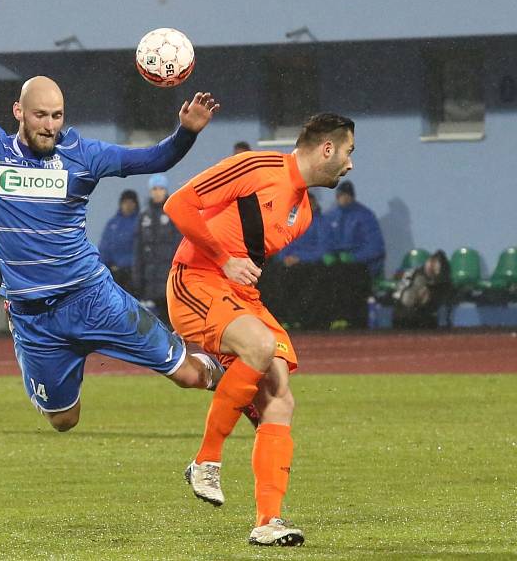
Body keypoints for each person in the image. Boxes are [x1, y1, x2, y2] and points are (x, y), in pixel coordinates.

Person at [0, 0, 224, 433]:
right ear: (19, 112)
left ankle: (238, 377)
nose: (50, 125)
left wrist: (186, 134)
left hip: (92, 298)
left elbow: (153, 159)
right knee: (63, 420)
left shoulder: (83, 155)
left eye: (57, 116)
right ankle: (69, 362)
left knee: (191, 376)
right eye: (41, 115)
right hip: (34, 318)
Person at [164, 113, 356, 547]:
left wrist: (235, 270)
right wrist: (222, 257)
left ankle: (268, 522)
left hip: (236, 294)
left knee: (279, 396)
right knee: (260, 345)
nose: (349, 164)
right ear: (327, 149)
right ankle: (206, 460)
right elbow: (177, 204)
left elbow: (247, 264)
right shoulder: (256, 167)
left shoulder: (302, 213)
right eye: (348, 152)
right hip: (194, 279)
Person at [258, 192, 332, 330]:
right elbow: (281, 243)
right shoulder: (291, 221)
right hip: (287, 263)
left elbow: (323, 250)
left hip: (309, 264)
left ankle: (299, 318)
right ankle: (279, 317)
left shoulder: (321, 223)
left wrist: (299, 258)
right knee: (270, 274)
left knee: (302, 278)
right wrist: (285, 258)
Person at [323, 180, 385, 329]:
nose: (342, 199)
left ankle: (347, 318)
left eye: (345, 195)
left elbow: (376, 247)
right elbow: (326, 241)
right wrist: (327, 254)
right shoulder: (331, 216)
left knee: (347, 277)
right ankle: (327, 318)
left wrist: (354, 257)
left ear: (351, 196)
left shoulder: (365, 216)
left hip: (361, 264)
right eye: (339, 196)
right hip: (338, 262)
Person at [133, 174, 181, 326]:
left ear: (165, 190)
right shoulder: (144, 215)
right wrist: (137, 279)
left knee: (174, 322)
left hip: (169, 277)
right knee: (154, 325)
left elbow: (179, 246)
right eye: (154, 189)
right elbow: (138, 249)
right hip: (150, 280)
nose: (157, 192)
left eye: (160, 188)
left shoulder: (174, 211)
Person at [392, 249, 452, 329]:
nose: (431, 266)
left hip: (426, 319)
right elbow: (399, 304)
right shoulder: (412, 275)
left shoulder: (443, 283)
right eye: (431, 263)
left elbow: (435, 303)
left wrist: (426, 299)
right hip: (403, 319)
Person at [98, 189, 140, 294]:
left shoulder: (141, 222)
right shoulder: (113, 224)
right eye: (125, 202)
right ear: (121, 204)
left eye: (131, 203)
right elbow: (105, 247)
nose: (128, 205)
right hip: (116, 274)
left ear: (136, 204)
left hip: (135, 274)